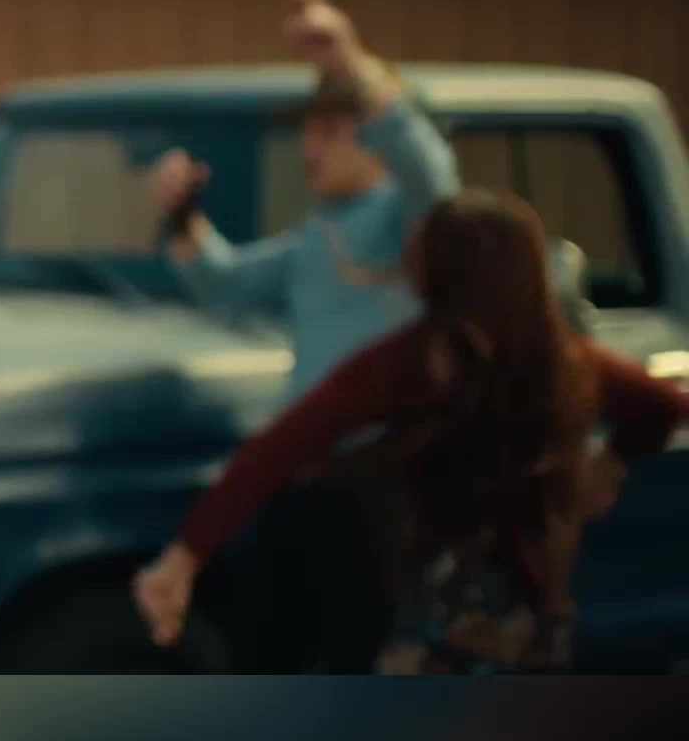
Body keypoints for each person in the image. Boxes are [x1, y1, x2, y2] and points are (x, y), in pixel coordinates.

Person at [134, 189, 689, 673]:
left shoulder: (415, 362)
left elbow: (282, 447)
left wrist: (183, 557)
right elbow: (666, 406)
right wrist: (611, 459)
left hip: (432, 625)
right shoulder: (569, 363)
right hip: (524, 619)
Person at [147, 0, 461, 672]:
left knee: (362, 659)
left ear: (377, 138)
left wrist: (351, 64)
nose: (309, 147)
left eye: (331, 130)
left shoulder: (407, 223)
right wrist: (181, 213)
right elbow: (228, 283)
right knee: (266, 650)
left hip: (381, 484)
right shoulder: (317, 235)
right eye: (307, 131)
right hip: (300, 476)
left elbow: (431, 177)